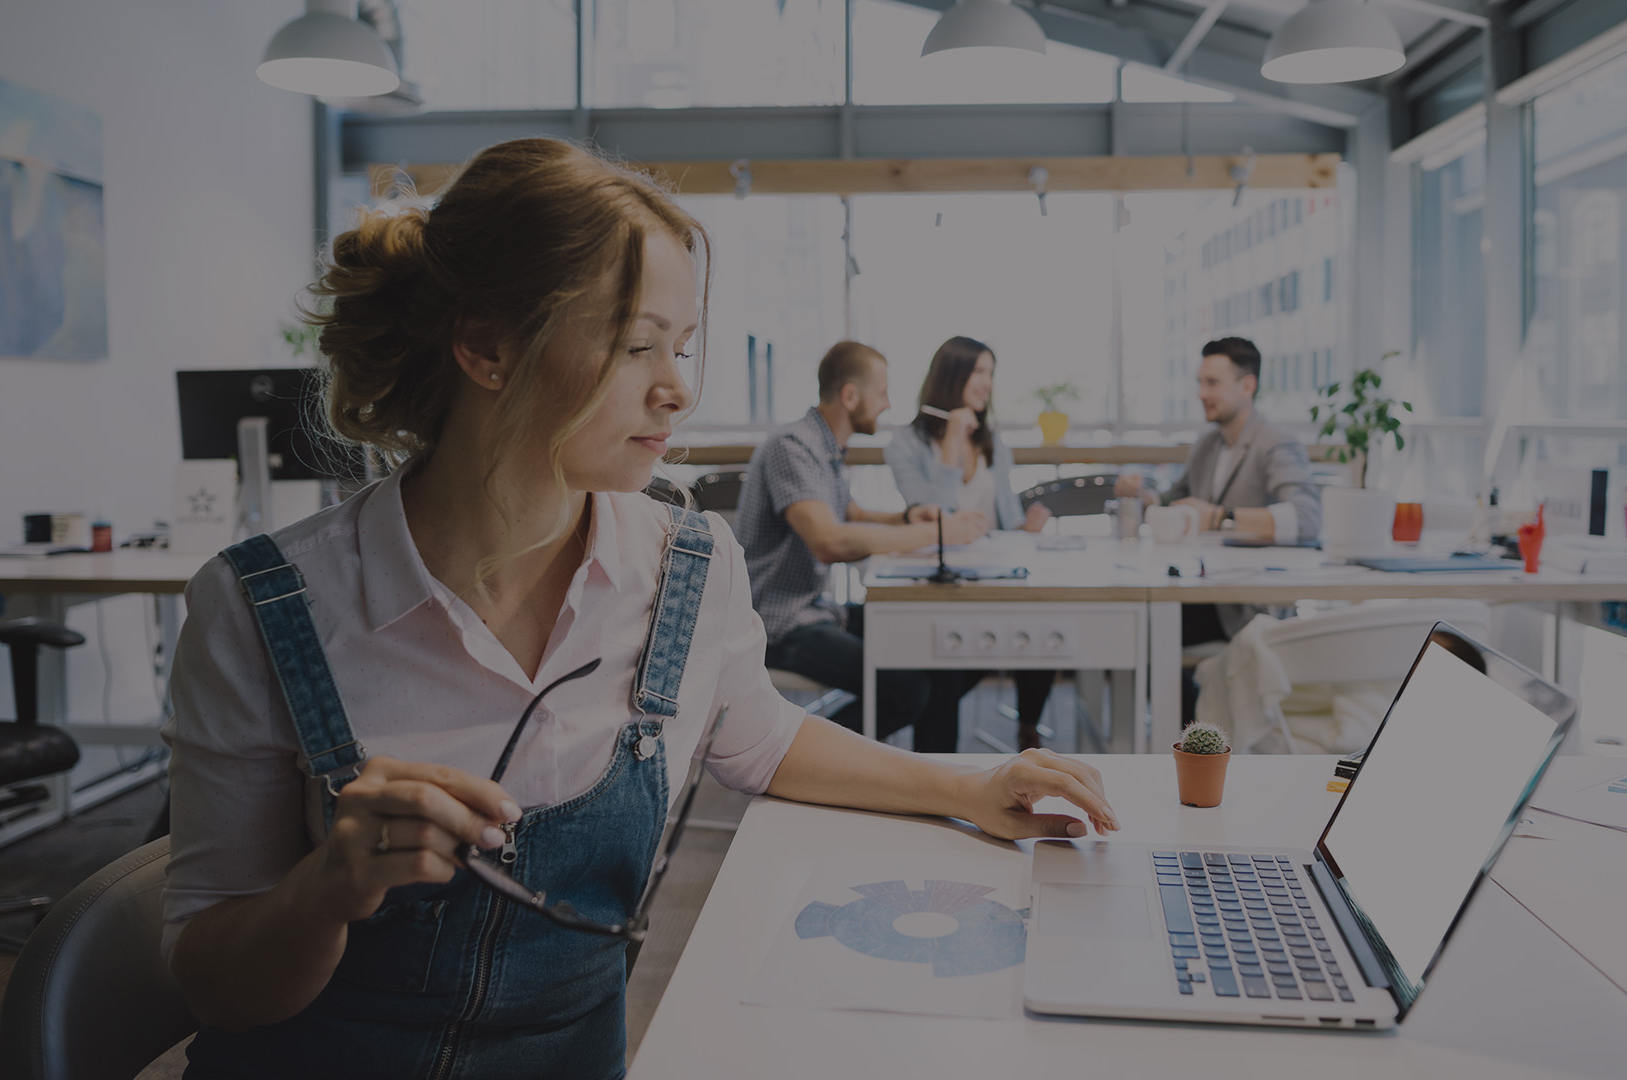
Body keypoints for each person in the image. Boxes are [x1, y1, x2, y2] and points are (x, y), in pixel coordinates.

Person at [161, 138, 1117, 1080]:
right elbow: (216, 987)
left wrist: (967, 789)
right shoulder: (259, 608)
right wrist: (325, 891)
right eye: (637, 345)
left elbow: (762, 735)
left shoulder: (687, 567)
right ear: (489, 346)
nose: (679, 387)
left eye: (685, 346)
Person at [739, 341, 991, 753]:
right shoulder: (793, 447)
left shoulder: (824, 446)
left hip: (816, 609)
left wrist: (911, 518)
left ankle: (938, 778)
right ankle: (796, 758)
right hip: (779, 622)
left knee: (938, 646)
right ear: (850, 396)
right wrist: (940, 533)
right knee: (906, 689)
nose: (888, 404)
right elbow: (829, 541)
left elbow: (850, 513)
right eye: (882, 393)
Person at [1115, 336, 1320, 723]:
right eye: (1200, 382)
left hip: (1247, 604)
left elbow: (1307, 519)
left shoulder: (1275, 443)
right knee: (1134, 624)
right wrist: (1142, 495)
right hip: (1204, 591)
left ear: (1248, 385)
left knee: (1147, 631)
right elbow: (1173, 503)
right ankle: (1188, 731)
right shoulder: (1207, 444)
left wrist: (1221, 517)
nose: (1201, 393)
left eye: (1212, 383)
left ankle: (1193, 737)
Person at [885, 336, 1057, 749]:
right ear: (952, 376)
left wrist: (1027, 530)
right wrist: (950, 445)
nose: (987, 384)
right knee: (944, 665)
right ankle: (935, 768)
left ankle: (1028, 727)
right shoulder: (905, 446)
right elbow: (934, 520)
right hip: (939, 583)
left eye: (990, 374)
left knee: (1044, 617)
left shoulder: (994, 444)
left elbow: (1007, 521)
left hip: (990, 577)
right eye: (979, 372)